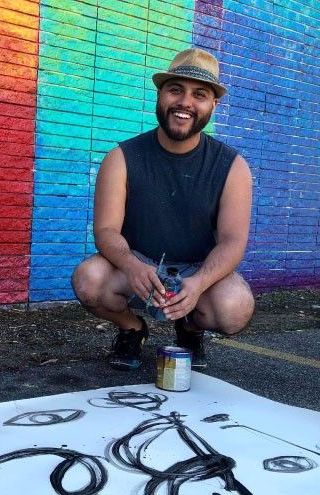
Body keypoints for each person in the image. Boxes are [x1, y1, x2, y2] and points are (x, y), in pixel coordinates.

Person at [72, 48, 254, 370]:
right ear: (160, 95)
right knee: (89, 279)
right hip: (139, 266)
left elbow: (232, 241)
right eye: (175, 89)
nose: (185, 102)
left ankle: (190, 328)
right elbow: (106, 231)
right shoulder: (121, 158)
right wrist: (131, 266)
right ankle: (132, 329)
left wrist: (197, 284)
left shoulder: (232, 166)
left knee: (234, 308)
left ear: (214, 104)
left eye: (199, 94)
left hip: (198, 270)